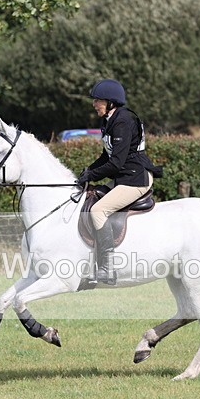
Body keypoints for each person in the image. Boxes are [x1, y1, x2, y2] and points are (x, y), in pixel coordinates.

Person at [76, 79, 161, 285]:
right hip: (124, 177)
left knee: (98, 210)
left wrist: (92, 175)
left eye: (98, 100)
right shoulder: (109, 120)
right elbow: (106, 156)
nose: (94, 104)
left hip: (135, 179)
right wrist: (88, 171)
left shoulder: (123, 121)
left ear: (111, 102)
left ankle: (107, 268)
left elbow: (115, 163)